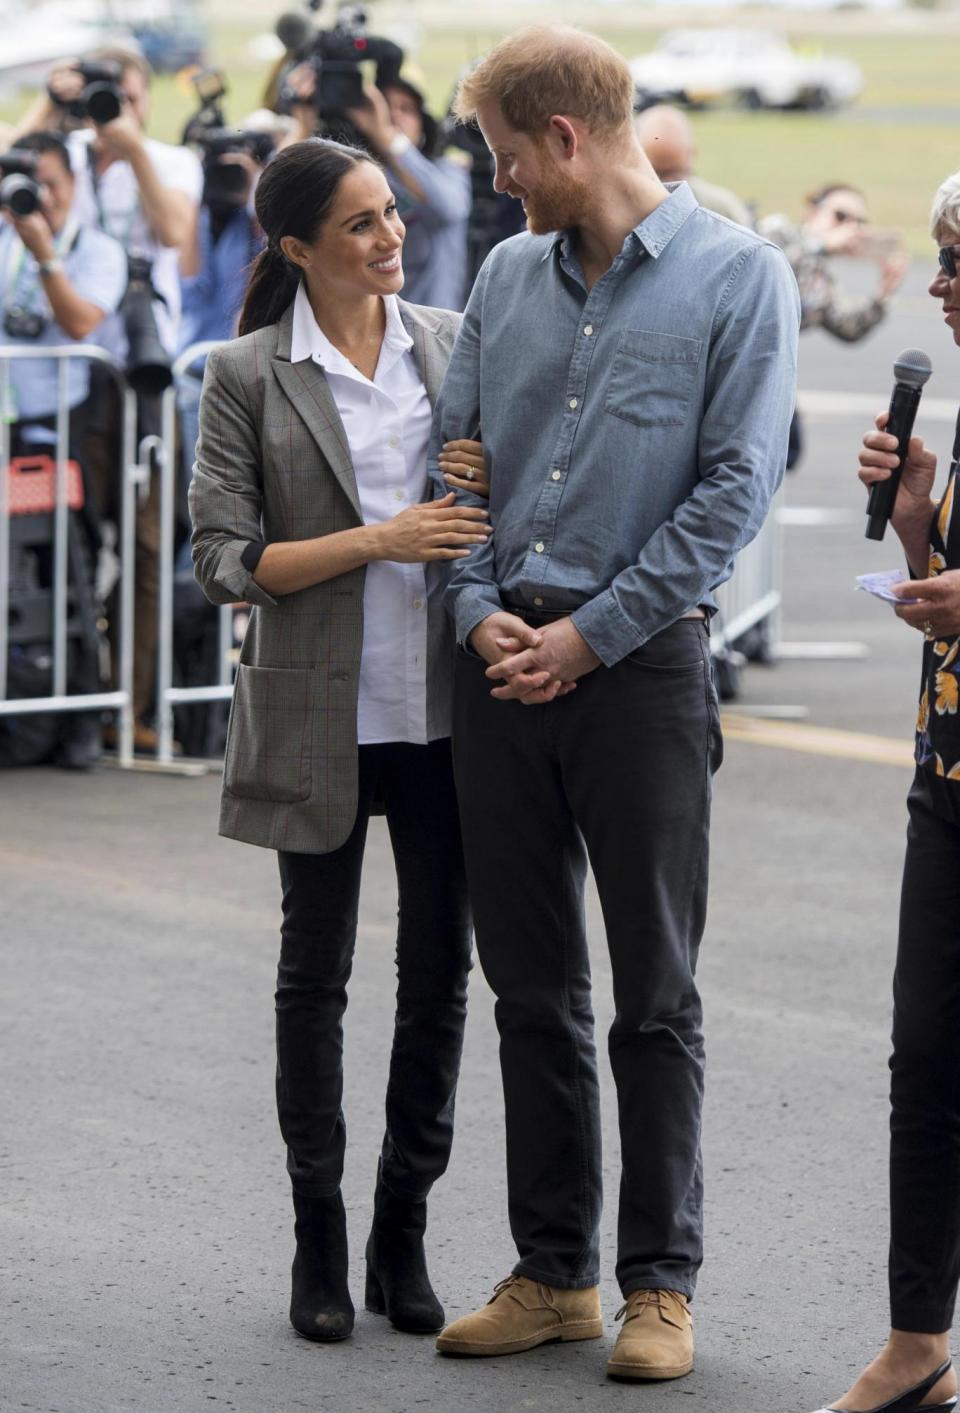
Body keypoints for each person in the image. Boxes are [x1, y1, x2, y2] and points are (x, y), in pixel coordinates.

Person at [429, 25, 799, 1381]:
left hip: (636, 671)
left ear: (567, 140)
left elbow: (731, 494)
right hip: (501, 666)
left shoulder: (738, 277)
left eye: (508, 154)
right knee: (529, 985)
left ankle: (661, 1286)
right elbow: (454, 472)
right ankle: (553, 1273)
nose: (502, 180)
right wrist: (480, 616)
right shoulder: (505, 275)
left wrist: (585, 636)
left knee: (654, 992)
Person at [189, 137, 491, 1344]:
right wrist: (380, 539)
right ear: (297, 248)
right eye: (360, 224)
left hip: (440, 715)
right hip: (317, 717)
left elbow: (494, 512)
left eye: (391, 214)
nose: (389, 237)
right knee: (312, 983)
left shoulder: (451, 344)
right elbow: (221, 561)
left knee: (439, 983)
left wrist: (482, 481)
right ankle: (318, 1235)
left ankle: (399, 1233)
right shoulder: (247, 373)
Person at [807, 171, 960, 1413]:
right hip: (948, 776)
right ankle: (918, 1344)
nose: (945, 286)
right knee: (927, 1061)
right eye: (946, 261)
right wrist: (917, 528)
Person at [14, 47, 203, 751]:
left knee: (150, 542)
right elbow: (15, 167)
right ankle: (76, 693)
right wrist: (49, 102)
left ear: (145, 97)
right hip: (80, 381)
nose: (108, 106)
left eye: (120, 93)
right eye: (97, 95)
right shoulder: (59, 156)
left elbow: (179, 238)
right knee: (78, 539)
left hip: (147, 373)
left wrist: (130, 152)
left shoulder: (167, 159)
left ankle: (136, 707)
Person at [0, 130, 127, 769]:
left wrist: (44, 254)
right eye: (27, 183)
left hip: (65, 433)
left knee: (67, 574)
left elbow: (81, 321)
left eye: (51, 182)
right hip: (9, 428)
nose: (38, 196)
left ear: (74, 184)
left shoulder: (95, 248)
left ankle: (79, 715)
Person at [285, 72, 472, 310]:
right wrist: (302, 128)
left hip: (431, 329)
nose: (393, 115)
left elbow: (448, 208)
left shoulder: (445, 171)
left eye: (406, 109)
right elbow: (263, 208)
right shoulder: (349, 179)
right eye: (383, 106)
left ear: (423, 121)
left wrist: (385, 134)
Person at [760, 185, 909, 470]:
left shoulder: (821, 281)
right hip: (726, 352)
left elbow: (848, 328)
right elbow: (766, 264)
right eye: (840, 216)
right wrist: (823, 245)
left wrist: (884, 293)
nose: (850, 228)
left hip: (767, 368)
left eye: (858, 223)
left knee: (787, 449)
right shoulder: (778, 231)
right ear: (813, 212)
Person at [634, 103, 752, 227]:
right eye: (659, 174)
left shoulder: (723, 208)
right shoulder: (723, 207)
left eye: (676, 174)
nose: (671, 186)